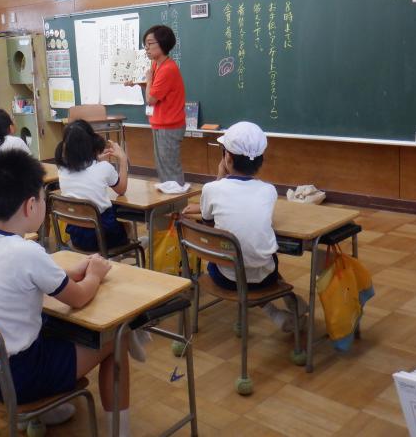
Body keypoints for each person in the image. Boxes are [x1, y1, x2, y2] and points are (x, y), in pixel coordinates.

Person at [0, 150, 132, 435]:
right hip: (18, 378)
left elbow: (29, 279)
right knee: (116, 338)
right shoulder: (27, 251)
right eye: (42, 199)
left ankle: (45, 411)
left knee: (54, 325)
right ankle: (121, 432)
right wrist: (95, 274)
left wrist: (75, 272)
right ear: (31, 206)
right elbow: (79, 297)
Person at [181, 122, 306, 331]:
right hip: (266, 279)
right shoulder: (269, 191)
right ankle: (289, 301)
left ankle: (276, 313)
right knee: (260, 258)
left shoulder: (211, 189)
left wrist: (220, 175)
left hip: (224, 278)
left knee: (236, 254)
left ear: (227, 158)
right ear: (260, 161)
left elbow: (209, 223)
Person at [54, 120, 129, 252]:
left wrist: (96, 160)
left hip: (77, 238)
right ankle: (123, 255)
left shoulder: (62, 170)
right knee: (126, 225)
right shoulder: (104, 168)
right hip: (104, 238)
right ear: (92, 142)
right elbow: (121, 190)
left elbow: (85, 172)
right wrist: (122, 158)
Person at [129, 25, 186, 185]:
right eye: (145, 44)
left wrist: (148, 80)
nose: (146, 48)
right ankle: (169, 198)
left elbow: (151, 99)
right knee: (163, 167)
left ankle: (177, 199)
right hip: (160, 123)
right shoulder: (156, 64)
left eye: (150, 43)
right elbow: (154, 90)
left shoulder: (168, 68)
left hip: (169, 125)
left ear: (162, 43)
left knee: (170, 169)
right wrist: (137, 82)